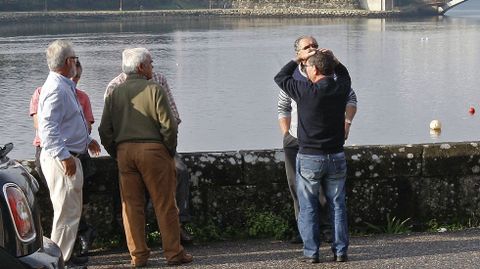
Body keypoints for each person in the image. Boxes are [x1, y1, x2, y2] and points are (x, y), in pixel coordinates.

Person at [98, 47, 193, 267]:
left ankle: (138, 256)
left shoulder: (114, 92)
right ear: (141, 67)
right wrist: (168, 150)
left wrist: (116, 151)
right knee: (165, 204)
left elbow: (104, 130)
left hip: (124, 152)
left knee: (131, 206)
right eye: (150, 63)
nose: (152, 66)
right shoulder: (155, 89)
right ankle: (173, 252)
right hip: (153, 151)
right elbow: (170, 125)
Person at [274, 48, 351, 263]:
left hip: (309, 156)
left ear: (315, 69)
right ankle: (340, 251)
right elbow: (345, 74)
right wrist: (335, 60)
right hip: (336, 155)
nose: (305, 69)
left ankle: (311, 252)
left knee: (308, 205)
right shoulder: (341, 88)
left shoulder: (304, 91)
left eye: (307, 66)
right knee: (338, 204)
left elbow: (280, 77)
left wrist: (297, 58)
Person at [38, 39, 101, 269]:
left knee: (68, 214)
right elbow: (47, 128)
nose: (76, 62)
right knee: (66, 215)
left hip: (69, 155)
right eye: (75, 58)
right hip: (63, 159)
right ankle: (59, 262)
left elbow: (66, 124)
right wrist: (64, 156)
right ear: (68, 62)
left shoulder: (62, 85)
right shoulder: (57, 88)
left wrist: (86, 140)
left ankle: (62, 259)